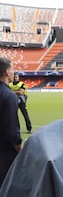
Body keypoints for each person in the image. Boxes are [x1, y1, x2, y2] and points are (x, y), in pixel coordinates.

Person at [0, 57, 22, 186]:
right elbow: (11, 129)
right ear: (7, 72)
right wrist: (19, 148)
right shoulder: (8, 96)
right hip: (5, 153)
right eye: (12, 69)